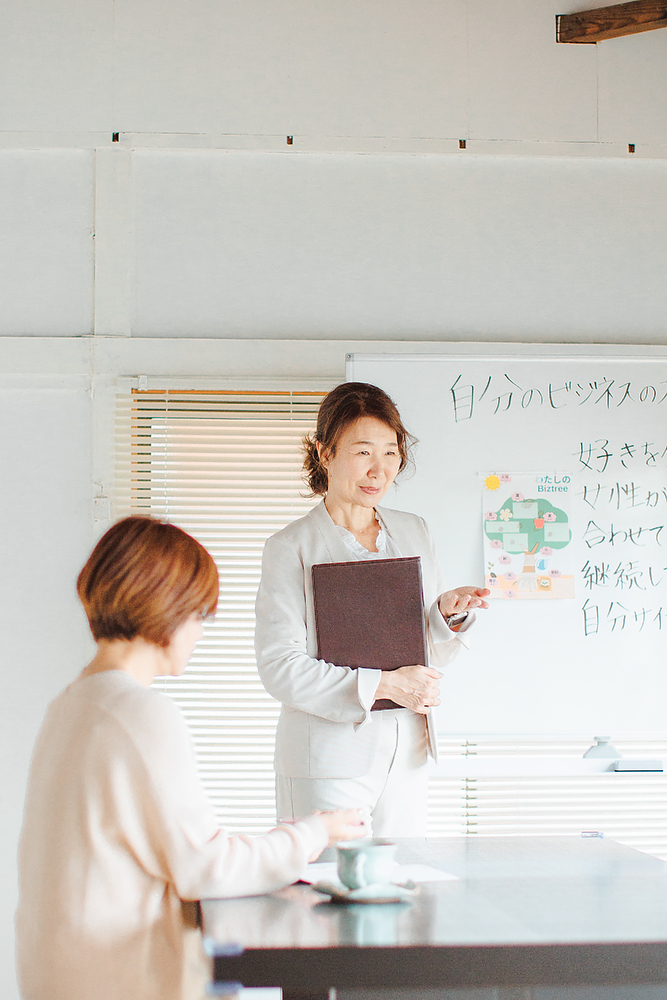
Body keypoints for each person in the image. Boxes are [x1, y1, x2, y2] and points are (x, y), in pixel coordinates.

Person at [16, 516, 363, 1000]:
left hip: (63, 971)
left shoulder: (72, 704)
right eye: (201, 614)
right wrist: (313, 832)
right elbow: (205, 865)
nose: (201, 632)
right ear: (166, 605)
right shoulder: (138, 712)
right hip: (118, 978)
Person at [255, 382, 489, 837]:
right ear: (325, 454)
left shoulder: (414, 531)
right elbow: (279, 668)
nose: (378, 469)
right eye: (363, 452)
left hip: (409, 747)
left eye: (391, 452)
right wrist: (384, 684)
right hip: (328, 754)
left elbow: (430, 655)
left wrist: (446, 616)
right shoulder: (290, 547)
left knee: (401, 887)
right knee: (330, 891)